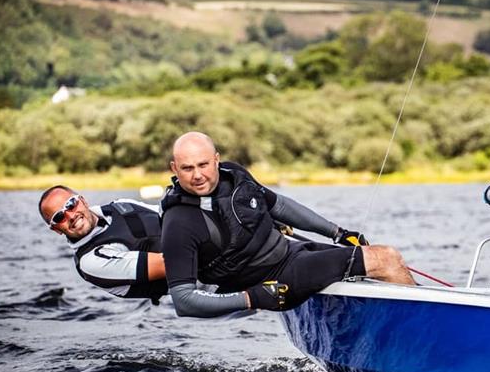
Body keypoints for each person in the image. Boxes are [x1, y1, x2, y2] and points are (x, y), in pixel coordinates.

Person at [160, 131, 415, 317]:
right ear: (174, 168)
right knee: (386, 259)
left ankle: (398, 328)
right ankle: (424, 338)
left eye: (203, 164)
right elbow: (184, 301)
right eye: (187, 168)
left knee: (373, 262)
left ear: (216, 159)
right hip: (276, 281)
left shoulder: (234, 175)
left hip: (291, 253)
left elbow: (278, 205)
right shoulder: (179, 223)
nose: (197, 175)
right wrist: (251, 298)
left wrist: (337, 233)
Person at [38, 186, 167, 302]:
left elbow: (168, 212)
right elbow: (168, 265)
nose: (71, 216)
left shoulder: (120, 205)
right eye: (59, 217)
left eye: (71, 204)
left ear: (83, 200)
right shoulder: (90, 261)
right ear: (56, 230)